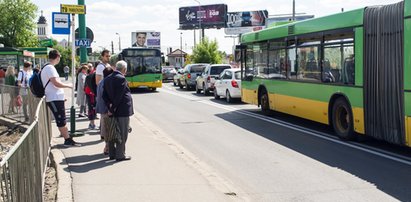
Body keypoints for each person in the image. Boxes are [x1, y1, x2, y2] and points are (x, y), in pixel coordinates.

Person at [41, 50, 80, 146]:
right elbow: (56, 83)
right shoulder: (50, 68)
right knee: (61, 119)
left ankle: (67, 138)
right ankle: (67, 140)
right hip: (54, 98)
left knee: (61, 119)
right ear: (57, 57)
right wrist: (68, 85)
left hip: (55, 97)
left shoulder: (47, 67)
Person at [103, 60, 133, 161]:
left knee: (112, 132)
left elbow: (104, 95)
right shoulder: (121, 78)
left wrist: (109, 106)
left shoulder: (107, 78)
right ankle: (120, 155)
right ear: (124, 69)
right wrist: (113, 108)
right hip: (121, 110)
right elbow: (119, 96)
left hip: (112, 110)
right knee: (122, 133)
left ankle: (112, 153)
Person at [96, 68, 114, 155]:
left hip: (102, 108)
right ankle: (107, 147)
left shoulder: (100, 82)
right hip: (106, 109)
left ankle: (107, 146)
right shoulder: (107, 83)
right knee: (108, 129)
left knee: (104, 128)